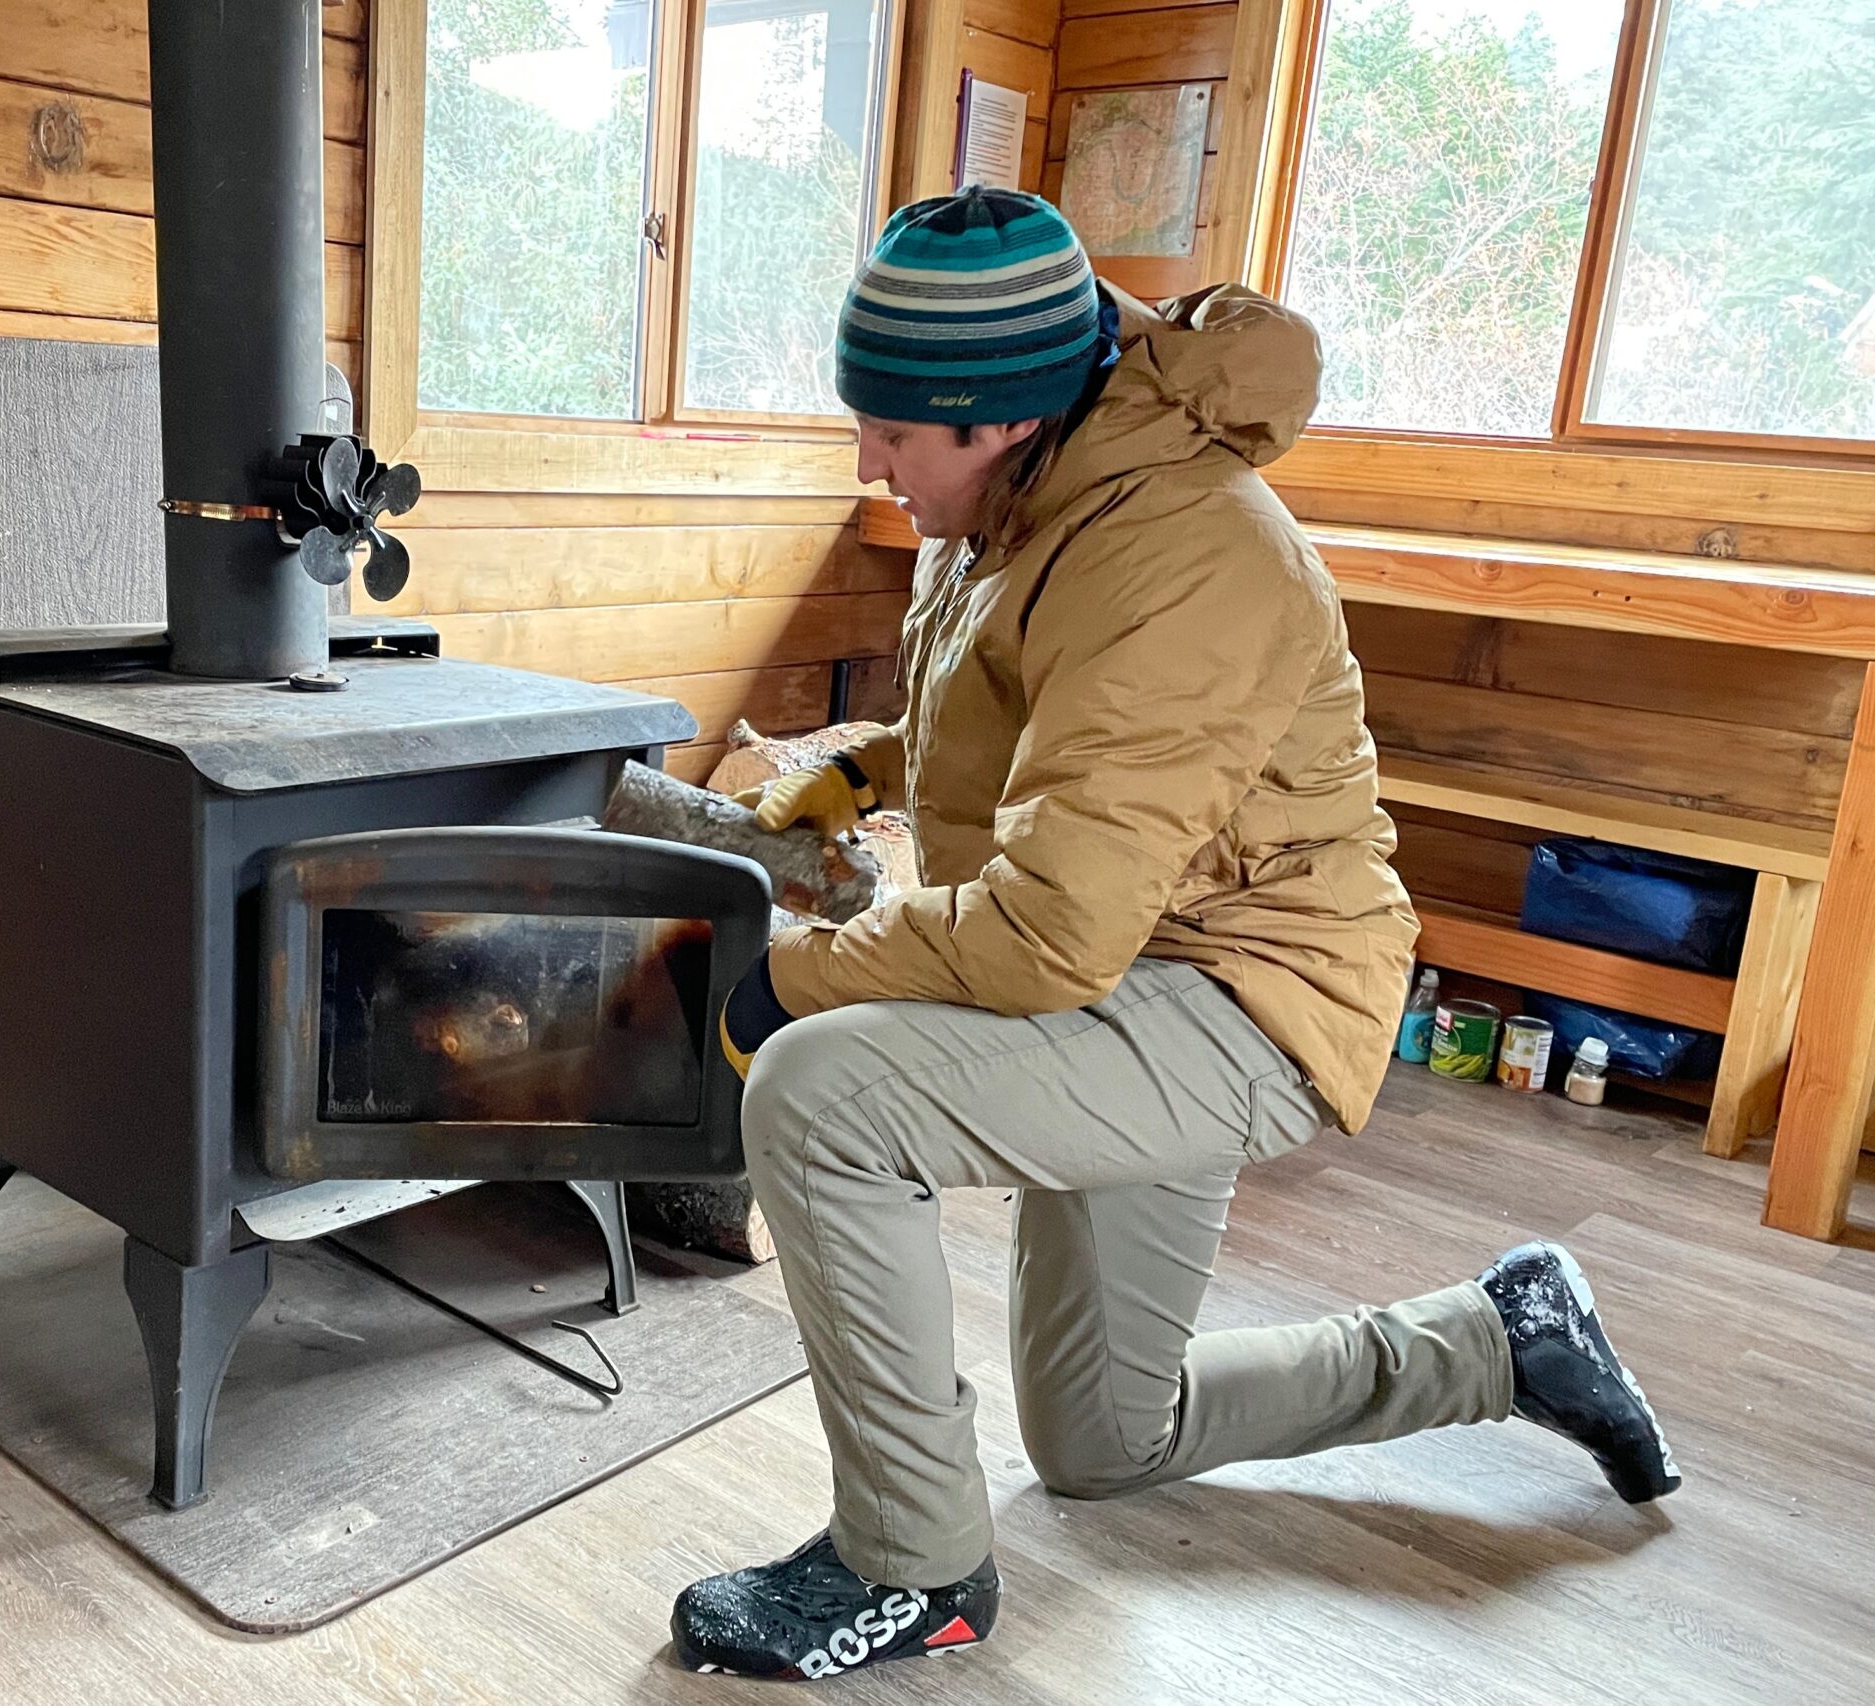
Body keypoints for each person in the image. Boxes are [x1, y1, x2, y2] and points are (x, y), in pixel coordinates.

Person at [668, 187, 1679, 1682]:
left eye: (893, 429)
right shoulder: (1019, 497)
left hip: (1241, 991)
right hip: (1135, 950)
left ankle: (911, 1564)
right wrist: (865, 763)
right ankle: (1500, 1335)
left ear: (998, 417)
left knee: (821, 1089)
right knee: (1102, 1440)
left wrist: (787, 979)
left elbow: (1048, 930)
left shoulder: (1188, 550)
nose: (869, 462)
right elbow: (1035, 732)